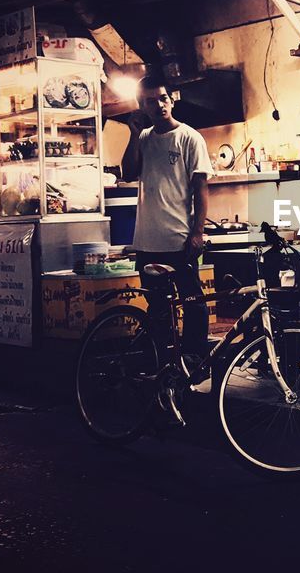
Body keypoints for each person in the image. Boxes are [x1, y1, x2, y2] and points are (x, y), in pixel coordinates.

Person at [120, 75, 214, 382]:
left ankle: (194, 361)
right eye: (150, 100)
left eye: (162, 98)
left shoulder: (189, 138)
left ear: (171, 100)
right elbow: (129, 172)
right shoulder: (144, 138)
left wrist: (197, 232)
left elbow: (200, 188)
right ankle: (160, 364)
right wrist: (133, 134)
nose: (158, 104)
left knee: (193, 303)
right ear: (142, 106)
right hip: (147, 241)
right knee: (157, 307)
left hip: (180, 240)